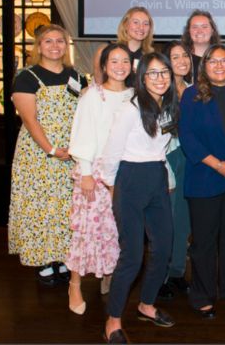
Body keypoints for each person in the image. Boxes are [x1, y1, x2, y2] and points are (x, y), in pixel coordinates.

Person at [95, 51, 182, 342]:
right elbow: (111, 150)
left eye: (165, 73)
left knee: (164, 248)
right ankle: (114, 320)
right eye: (153, 73)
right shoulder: (131, 109)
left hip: (156, 178)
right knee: (132, 255)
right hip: (130, 180)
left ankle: (146, 304)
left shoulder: (168, 106)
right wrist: (111, 187)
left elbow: (163, 148)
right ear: (142, 78)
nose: (160, 79)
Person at [180, 45, 225, 318]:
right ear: (205, 65)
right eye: (214, 61)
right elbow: (187, 137)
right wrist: (218, 164)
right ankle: (201, 293)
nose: (220, 66)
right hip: (204, 177)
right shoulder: (191, 95)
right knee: (204, 240)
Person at [8, 24, 83, 290]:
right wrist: (51, 149)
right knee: (40, 207)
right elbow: (29, 120)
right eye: (48, 41)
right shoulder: (27, 77)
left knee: (64, 207)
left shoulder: (75, 75)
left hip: (70, 153)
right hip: (39, 155)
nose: (55, 46)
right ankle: (43, 261)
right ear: (38, 47)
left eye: (60, 41)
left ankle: (61, 258)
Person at [66, 44, 136, 318]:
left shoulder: (134, 95)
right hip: (94, 173)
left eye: (125, 61)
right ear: (104, 66)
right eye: (114, 61)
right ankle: (75, 284)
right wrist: (85, 172)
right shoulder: (92, 96)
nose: (120, 66)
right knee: (86, 231)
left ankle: (109, 274)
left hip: (126, 171)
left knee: (117, 231)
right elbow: (82, 133)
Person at [154, 42, 196, 303]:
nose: (181, 60)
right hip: (165, 157)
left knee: (184, 219)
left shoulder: (192, 91)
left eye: (185, 56)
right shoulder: (159, 89)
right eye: (175, 56)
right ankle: (159, 278)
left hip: (189, 158)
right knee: (165, 220)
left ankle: (177, 271)